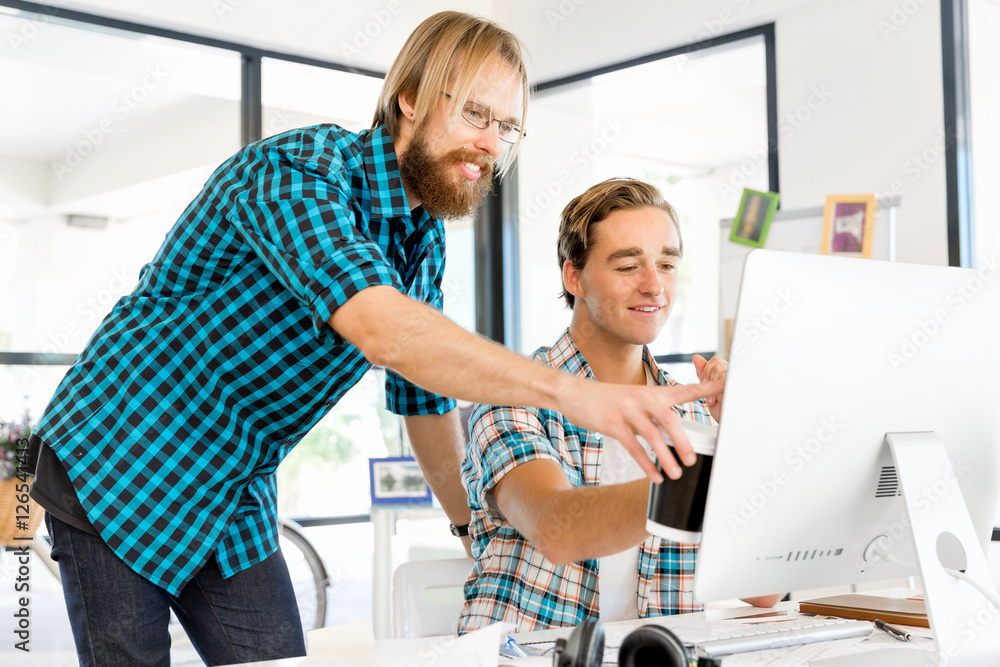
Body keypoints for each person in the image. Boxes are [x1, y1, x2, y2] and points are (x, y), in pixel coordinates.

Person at [26, 13, 721, 667]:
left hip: (233, 487)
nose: (490, 143)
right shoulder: (300, 174)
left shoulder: (422, 237)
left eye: (507, 126)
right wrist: (576, 394)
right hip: (117, 459)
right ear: (410, 99)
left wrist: (466, 527)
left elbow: (420, 396)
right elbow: (384, 328)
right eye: (475, 112)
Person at [458, 178, 780, 633]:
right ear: (575, 277)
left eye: (667, 264)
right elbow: (558, 529)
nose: (655, 286)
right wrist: (707, 471)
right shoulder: (515, 399)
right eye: (628, 266)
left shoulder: (691, 414)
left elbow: (764, 589)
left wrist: (742, 438)